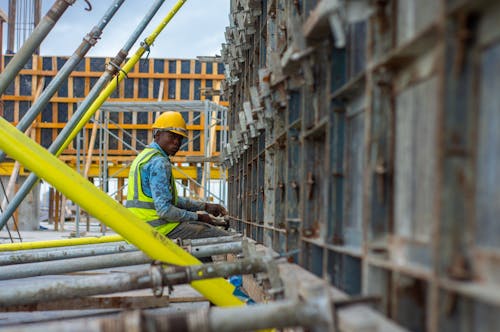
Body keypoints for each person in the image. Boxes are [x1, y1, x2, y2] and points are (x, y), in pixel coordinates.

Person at [126, 111, 229, 240]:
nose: (176, 142)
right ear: (157, 134)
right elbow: (165, 211)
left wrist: (205, 207)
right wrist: (199, 216)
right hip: (158, 228)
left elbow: (171, 200)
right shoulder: (159, 162)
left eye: (180, 138)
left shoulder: (145, 157)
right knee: (220, 237)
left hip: (139, 226)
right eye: (172, 136)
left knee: (200, 235)